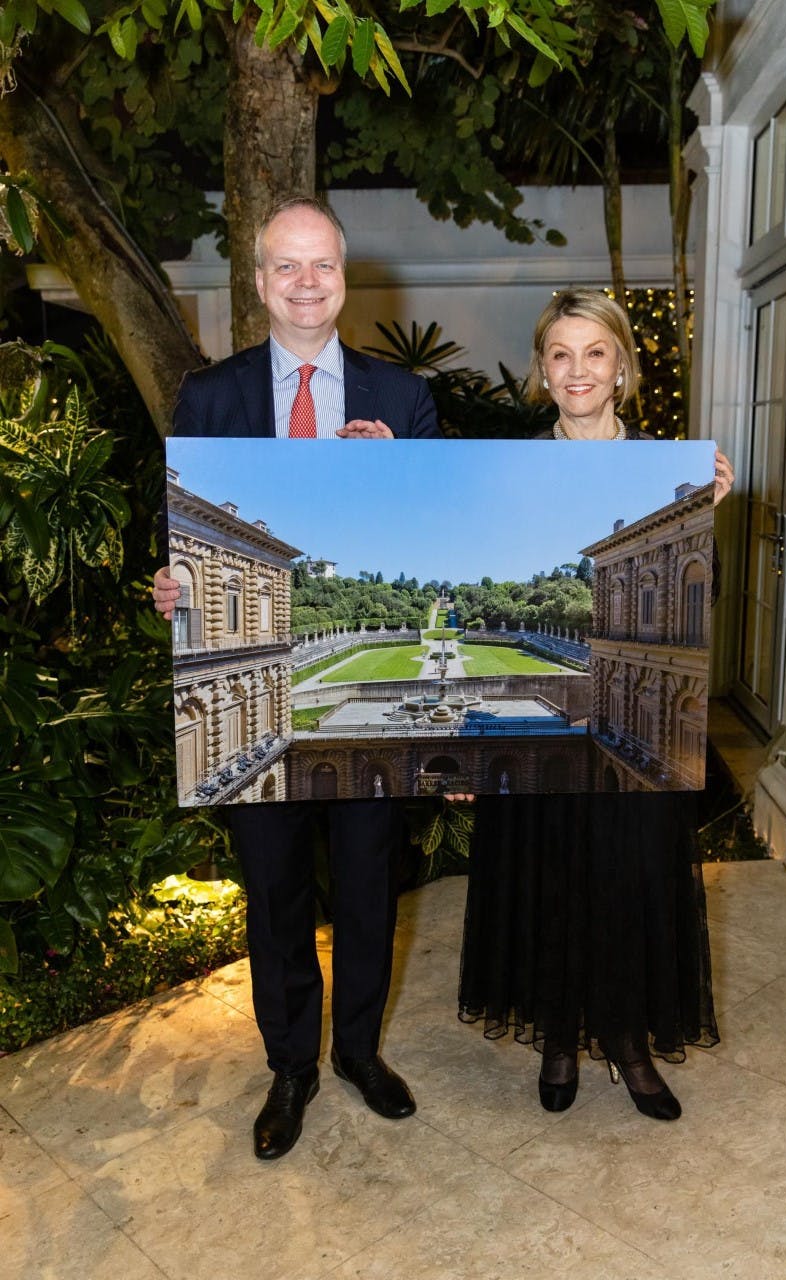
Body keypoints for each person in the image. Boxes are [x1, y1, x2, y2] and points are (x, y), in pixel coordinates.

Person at [153, 196, 441, 1160]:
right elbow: (187, 534)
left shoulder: (403, 402)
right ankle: (291, 1067)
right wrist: (172, 584)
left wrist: (401, 474)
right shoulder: (211, 396)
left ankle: (358, 1050)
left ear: (344, 275)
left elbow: (437, 534)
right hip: (251, 691)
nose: (306, 283)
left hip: (355, 698)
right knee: (273, 888)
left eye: (322, 265)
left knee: (366, 878)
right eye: (287, 266)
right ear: (260, 278)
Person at [458, 288, 734, 1121]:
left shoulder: (671, 476)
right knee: (544, 868)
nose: (578, 371)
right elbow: (472, 575)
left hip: (641, 717)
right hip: (548, 727)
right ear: (542, 373)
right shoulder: (505, 474)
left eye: (595, 353)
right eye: (560, 355)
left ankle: (624, 1038)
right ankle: (554, 1033)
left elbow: (696, 608)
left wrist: (704, 519)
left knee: (631, 870)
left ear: (622, 367)